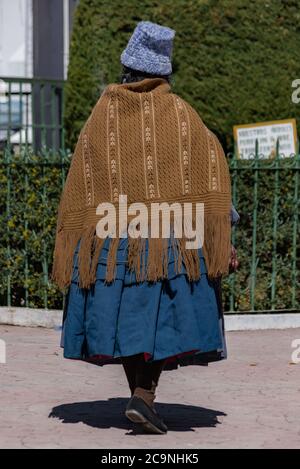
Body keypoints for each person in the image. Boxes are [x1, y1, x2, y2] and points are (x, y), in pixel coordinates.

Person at [52, 20, 239, 435]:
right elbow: (211, 166)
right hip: (172, 238)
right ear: (164, 72)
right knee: (159, 318)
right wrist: (223, 224)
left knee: (126, 320)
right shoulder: (182, 113)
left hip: (113, 238)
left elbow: (85, 172)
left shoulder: (103, 111)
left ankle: (141, 396)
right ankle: (144, 397)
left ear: (127, 69)